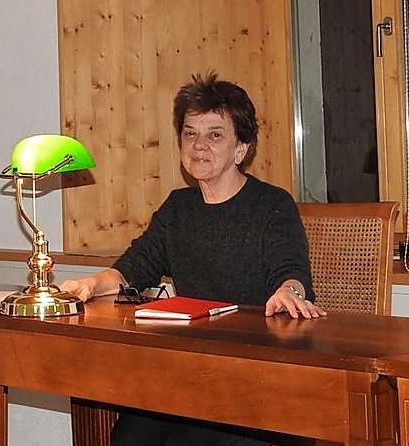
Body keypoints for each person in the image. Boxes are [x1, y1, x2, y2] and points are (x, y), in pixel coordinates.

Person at [61, 73, 326, 446]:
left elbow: (291, 272)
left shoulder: (272, 205)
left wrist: (289, 291)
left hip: (260, 377)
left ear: (241, 148)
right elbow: (134, 267)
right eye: (190, 134)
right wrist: (89, 285)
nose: (199, 145)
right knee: (128, 438)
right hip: (191, 372)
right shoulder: (178, 208)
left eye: (215, 135)